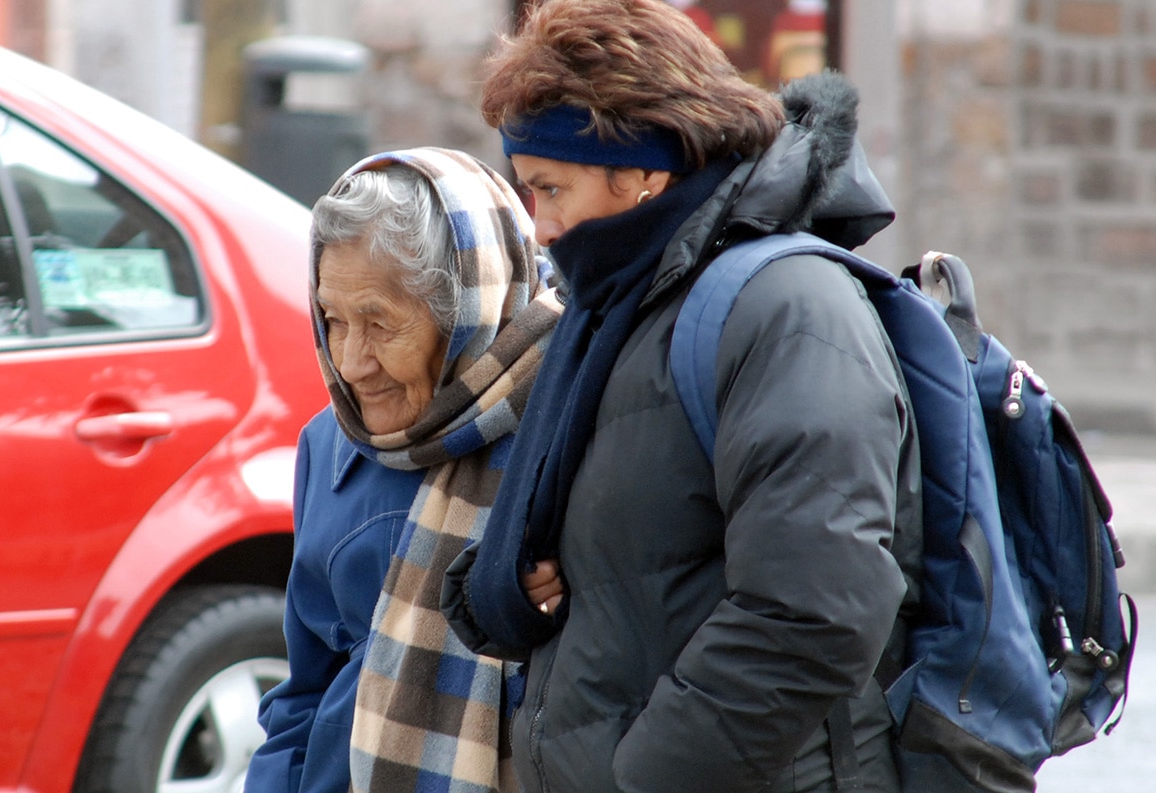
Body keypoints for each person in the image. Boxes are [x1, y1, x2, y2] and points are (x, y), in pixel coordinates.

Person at [441, 1, 923, 792]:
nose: (540, 226)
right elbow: (639, 555)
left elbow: (816, 610)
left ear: (641, 173)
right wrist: (508, 576)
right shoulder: (617, 305)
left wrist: (644, 776)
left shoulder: (785, 309)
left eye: (551, 188)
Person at [242, 147, 562, 793]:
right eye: (333, 319)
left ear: (466, 310)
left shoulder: (561, 419)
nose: (352, 361)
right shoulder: (329, 444)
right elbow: (303, 693)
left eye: (380, 323)